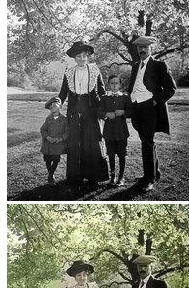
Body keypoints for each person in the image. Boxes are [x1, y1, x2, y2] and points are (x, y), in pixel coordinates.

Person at [125, 36, 177, 191]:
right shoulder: (135, 66)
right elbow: (133, 86)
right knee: (145, 141)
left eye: (145, 48)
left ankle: (149, 179)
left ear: (150, 49)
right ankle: (154, 172)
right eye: (139, 48)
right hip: (137, 108)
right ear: (137, 49)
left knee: (147, 142)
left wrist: (155, 101)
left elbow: (171, 88)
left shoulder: (159, 65)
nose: (142, 50)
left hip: (150, 107)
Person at [57, 40, 109, 185]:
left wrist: (105, 105)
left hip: (91, 108)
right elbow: (63, 93)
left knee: (92, 142)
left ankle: (94, 176)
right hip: (74, 110)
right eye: (78, 56)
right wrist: (58, 103)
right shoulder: (69, 71)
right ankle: (75, 176)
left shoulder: (94, 70)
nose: (82, 59)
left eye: (84, 56)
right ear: (74, 58)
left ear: (88, 56)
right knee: (74, 142)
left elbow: (102, 90)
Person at [101, 75, 132, 186]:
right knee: (111, 154)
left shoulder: (124, 97)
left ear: (120, 84)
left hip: (121, 131)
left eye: (116, 83)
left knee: (122, 154)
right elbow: (98, 112)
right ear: (108, 84)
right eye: (112, 83)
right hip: (109, 131)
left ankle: (121, 177)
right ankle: (113, 176)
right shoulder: (105, 97)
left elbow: (131, 111)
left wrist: (123, 112)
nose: (114, 85)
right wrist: (106, 114)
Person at [39, 96, 68, 184]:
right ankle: (50, 174)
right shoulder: (48, 119)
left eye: (55, 106)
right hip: (48, 144)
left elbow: (67, 132)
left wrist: (60, 139)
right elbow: (42, 129)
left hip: (58, 144)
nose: (53, 109)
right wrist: (47, 137)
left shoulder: (64, 120)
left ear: (60, 107)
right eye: (51, 108)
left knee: (55, 159)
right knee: (47, 160)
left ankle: (51, 175)